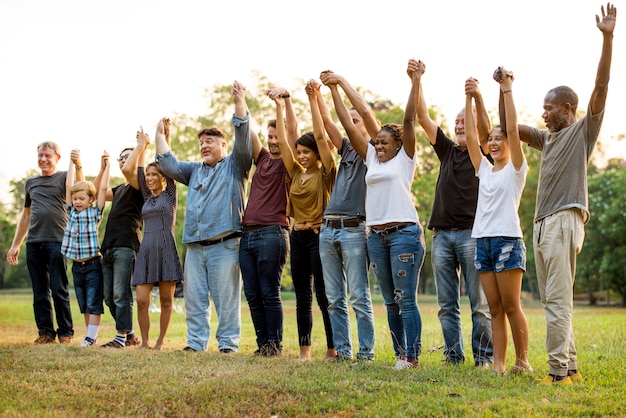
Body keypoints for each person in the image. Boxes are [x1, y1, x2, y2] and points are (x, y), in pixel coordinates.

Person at [517, 3, 617, 386]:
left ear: (567, 109)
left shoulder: (580, 133)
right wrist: (499, 97)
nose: (542, 114)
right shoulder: (549, 138)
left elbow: (602, 88)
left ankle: (557, 372)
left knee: (558, 302)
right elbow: (516, 129)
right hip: (543, 224)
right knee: (552, 301)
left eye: (548, 108)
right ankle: (570, 368)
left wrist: (607, 39)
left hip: (564, 219)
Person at [327, 62, 425, 370]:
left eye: (384, 141)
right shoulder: (372, 157)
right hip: (376, 237)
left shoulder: (405, 158)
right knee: (390, 300)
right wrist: (334, 90)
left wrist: (416, 81)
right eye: (376, 141)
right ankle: (400, 355)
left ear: (398, 143)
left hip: (404, 234)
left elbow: (406, 118)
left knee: (405, 298)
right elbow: (348, 121)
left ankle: (412, 357)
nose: (378, 144)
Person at [157, 81, 253, 353]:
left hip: (225, 245)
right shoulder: (195, 170)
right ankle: (196, 344)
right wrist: (160, 134)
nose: (204, 146)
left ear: (223, 144)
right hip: (196, 247)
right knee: (194, 299)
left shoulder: (236, 165)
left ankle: (227, 345)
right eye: (201, 143)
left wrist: (239, 102)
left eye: (209, 141)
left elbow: (244, 137)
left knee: (226, 299)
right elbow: (167, 164)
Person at [416, 62, 494, 367]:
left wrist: (474, 98)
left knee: (479, 304)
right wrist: (418, 80)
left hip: (472, 235)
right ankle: (453, 356)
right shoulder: (447, 150)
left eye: (466, 122)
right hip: (442, 235)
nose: (460, 126)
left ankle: (484, 358)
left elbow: (485, 130)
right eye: (457, 122)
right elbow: (422, 117)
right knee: (446, 304)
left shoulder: (485, 154)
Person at [465, 68, 532, 374]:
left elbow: (515, 131)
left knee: (510, 305)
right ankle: (499, 365)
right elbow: (470, 138)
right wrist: (469, 99)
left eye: (498, 138)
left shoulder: (516, 168)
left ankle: (522, 362)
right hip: (483, 240)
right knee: (493, 308)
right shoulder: (484, 169)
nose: (493, 143)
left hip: (507, 240)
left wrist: (506, 90)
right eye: (490, 139)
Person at [273, 79, 336, 361]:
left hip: (318, 236)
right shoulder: (296, 173)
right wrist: (279, 105)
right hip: (297, 236)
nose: (301, 156)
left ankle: (333, 349)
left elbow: (323, 139)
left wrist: (314, 99)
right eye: (299, 153)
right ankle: (305, 350)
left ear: (317, 154)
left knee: (323, 295)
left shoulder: (326, 173)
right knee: (302, 297)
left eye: (306, 152)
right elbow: (285, 141)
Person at [318, 71, 376, 363]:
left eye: (356, 121)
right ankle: (343, 351)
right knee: (334, 298)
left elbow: (348, 116)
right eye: (349, 121)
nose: (350, 124)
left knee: (359, 297)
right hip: (328, 228)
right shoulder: (345, 149)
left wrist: (338, 86)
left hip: (354, 228)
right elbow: (329, 123)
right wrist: (317, 95)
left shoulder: (374, 151)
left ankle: (365, 353)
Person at [238, 86, 296, 357]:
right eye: (270, 136)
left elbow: (287, 138)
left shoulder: (287, 161)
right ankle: (263, 345)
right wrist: (242, 100)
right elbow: (248, 129)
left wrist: (281, 105)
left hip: (273, 234)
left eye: (276, 137)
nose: (273, 141)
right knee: (252, 293)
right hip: (248, 236)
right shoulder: (261, 159)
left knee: (269, 292)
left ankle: (275, 345)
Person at [6, 143, 81, 344]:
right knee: (40, 291)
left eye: (47, 155)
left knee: (59, 289)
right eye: (40, 155)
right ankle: (45, 333)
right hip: (34, 242)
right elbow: (25, 216)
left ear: (57, 157)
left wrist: (77, 164)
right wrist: (16, 245)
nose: (43, 159)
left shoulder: (65, 177)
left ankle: (65, 332)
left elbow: (80, 188)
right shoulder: (31, 183)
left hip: (57, 241)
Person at [123, 121, 184, 351]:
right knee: (141, 300)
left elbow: (168, 161)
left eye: (154, 174)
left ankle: (159, 342)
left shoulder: (170, 194)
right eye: (147, 174)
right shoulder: (147, 197)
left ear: (163, 178)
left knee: (167, 300)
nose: (149, 178)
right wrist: (141, 145)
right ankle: (145, 341)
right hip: (147, 248)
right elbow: (130, 170)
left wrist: (165, 135)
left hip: (166, 246)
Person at [95, 147, 144, 348]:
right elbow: (96, 192)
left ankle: (120, 338)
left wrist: (140, 148)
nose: (124, 160)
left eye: (129, 157)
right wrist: (103, 167)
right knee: (108, 297)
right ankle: (130, 333)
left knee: (120, 294)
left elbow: (131, 170)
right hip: (108, 246)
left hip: (126, 245)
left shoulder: (139, 184)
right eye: (121, 158)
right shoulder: (119, 189)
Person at [61, 151, 109, 346]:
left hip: (93, 264)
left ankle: (91, 337)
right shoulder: (71, 211)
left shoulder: (94, 213)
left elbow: (103, 188)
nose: (77, 201)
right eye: (75, 198)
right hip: (76, 266)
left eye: (82, 198)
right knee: (83, 303)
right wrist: (72, 163)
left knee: (93, 302)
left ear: (91, 199)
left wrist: (107, 167)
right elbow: (67, 185)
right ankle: (91, 337)